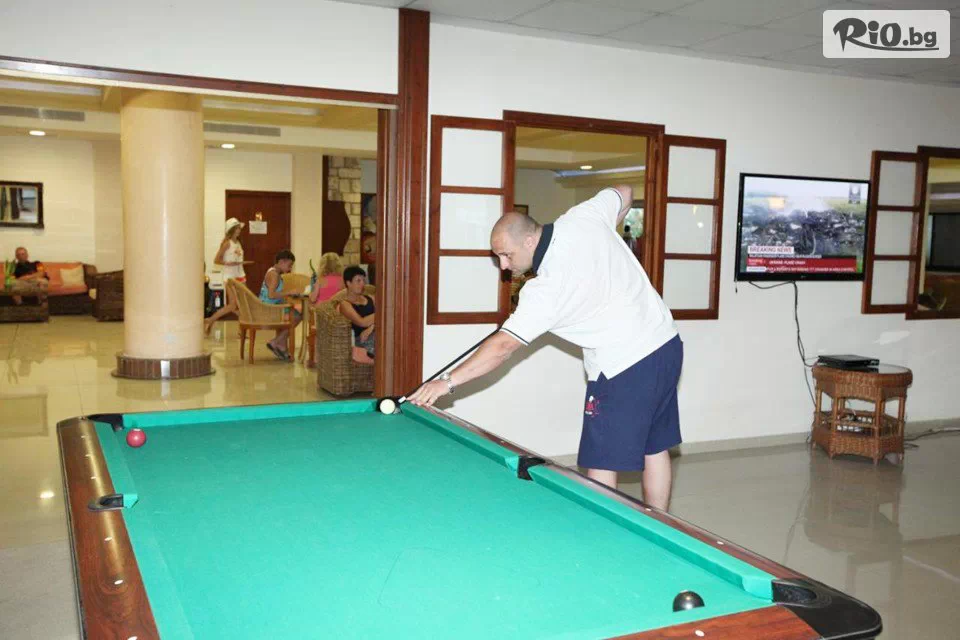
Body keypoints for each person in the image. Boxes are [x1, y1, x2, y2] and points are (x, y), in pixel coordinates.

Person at [409, 186, 682, 511]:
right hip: (665, 345)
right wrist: (608, 228)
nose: (503, 266)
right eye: (498, 257)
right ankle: (662, 525)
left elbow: (503, 346)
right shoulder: (584, 217)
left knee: (602, 462)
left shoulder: (545, 289)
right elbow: (625, 191)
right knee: (654, 446)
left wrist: (447, 382)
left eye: (507, 255)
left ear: (529, 241)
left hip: (623, 367)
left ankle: (604, 533)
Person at [204, 218, 247, 335]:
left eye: (239, 228)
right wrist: (228, 263)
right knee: (233, 305)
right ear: (231, 230)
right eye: (237, 228)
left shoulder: (238, 243)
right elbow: (216, 260)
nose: (239, 230)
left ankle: (241, 330)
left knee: (243, 303)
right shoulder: (227, 243)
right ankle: (211, 319)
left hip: (241, 275)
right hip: (230, 277)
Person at [259, 250, 301, 361]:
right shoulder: (274, 275)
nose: (290, 268)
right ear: (282, 262)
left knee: (295, 310)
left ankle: (281, 346)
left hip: (269, 308)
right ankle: (276, 342)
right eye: (289, 265)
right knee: (298, 315)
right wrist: (289, 292)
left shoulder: (273, 272)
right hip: (270, 311)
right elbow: (271, 295)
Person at [337, 266, 375, 359]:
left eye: (363, 280)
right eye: (358, 281)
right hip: (363, 340)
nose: (362, 284)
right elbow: (362, 322)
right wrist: (380, 316)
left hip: (376, 332)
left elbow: (387, 315)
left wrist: (372, 327)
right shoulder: (345, 304)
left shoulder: (370, 298)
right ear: (348, 283)